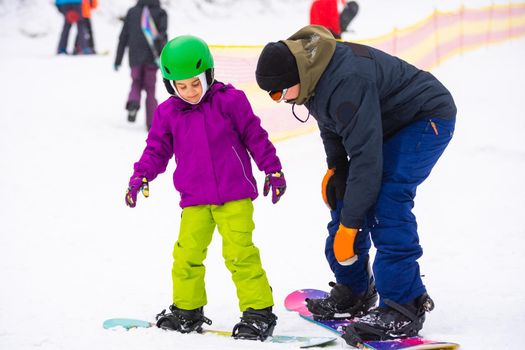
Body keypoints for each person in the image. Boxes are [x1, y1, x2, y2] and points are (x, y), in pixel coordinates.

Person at [255, 25, 456, 346]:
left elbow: (366, 157)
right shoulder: (310, 75)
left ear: (295, 76)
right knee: (346, 192)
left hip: (424, 117)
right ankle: (355, 289)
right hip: (380, 124)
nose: (278, 100)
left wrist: (350, 226)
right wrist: (337, 169)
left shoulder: (345, 80)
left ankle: (405, 305)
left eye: (279, 92)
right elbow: (331, 124)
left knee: (387, 200)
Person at [125, 35, 287, 341]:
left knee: (240, 254)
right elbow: (156, 150)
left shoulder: (231, 101)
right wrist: (141, 175)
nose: (190, 92)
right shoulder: (167, 113)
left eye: (195, 83)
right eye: (181, 86)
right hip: (195, 198)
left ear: (209, 74)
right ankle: (187, 310)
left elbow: (255, 136)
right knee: (186, 254)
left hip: (234, 195)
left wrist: (272, 169)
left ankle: (258, 312)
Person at [114, 0, 167, 130]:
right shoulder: (161, 13)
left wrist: (118, 60)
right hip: (152, 57)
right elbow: (163, 36)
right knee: (150, 89)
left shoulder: (132, 12)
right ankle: (152, 123)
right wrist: (165, 59)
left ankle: (133, 103)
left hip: (135, 57)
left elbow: (123, 37)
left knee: (136, 82)